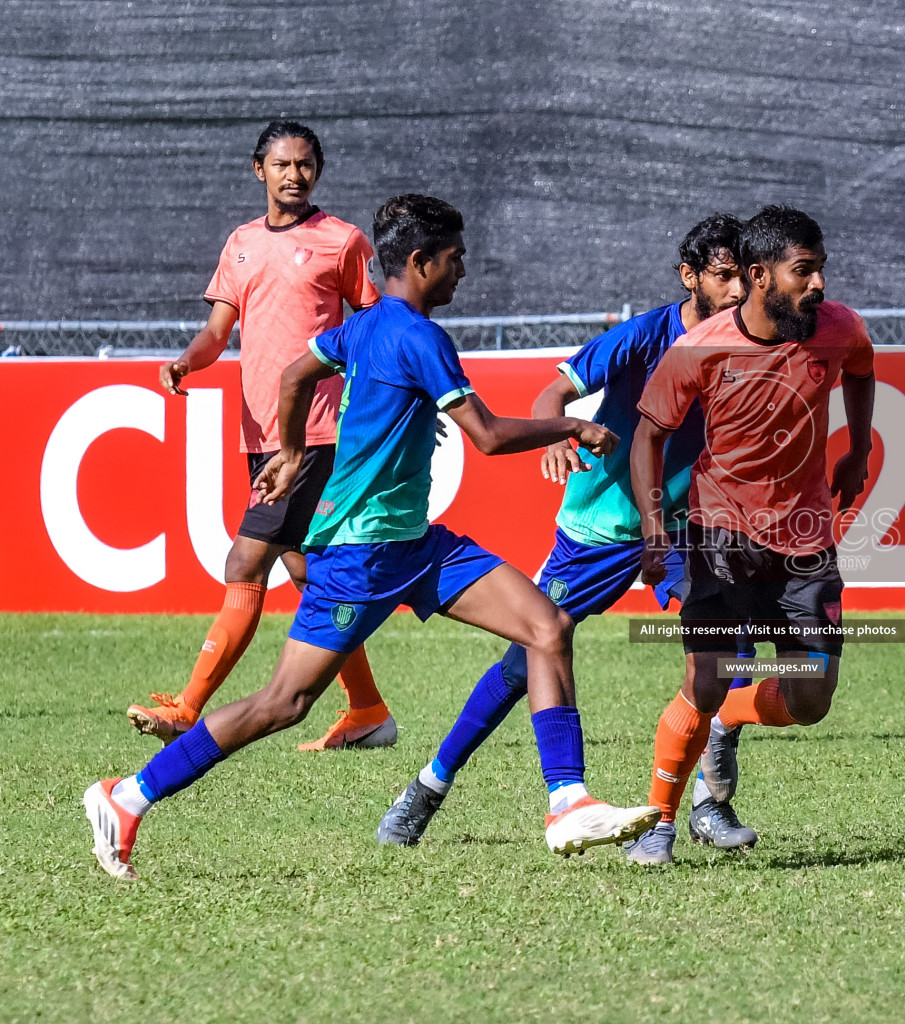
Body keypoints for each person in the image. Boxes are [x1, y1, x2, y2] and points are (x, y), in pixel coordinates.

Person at [84, 195, 659, 880]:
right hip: (360, 555)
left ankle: (567, 802)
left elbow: (296, 374)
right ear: (419, 262)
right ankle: (126, 797)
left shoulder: (364, 326)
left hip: (412, 544)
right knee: (283, 705)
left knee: (546, 625)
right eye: (455, 258)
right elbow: (487, 436)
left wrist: (293, 451)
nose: (464, 271)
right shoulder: (419, 336)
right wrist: (572, 426)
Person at [375, 214, 760, 850]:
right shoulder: (642, 337)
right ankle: (428, 787)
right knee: (529, 656)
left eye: (744, 278)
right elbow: (552, 396)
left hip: (691, 523)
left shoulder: (750, 344)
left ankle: (707, 805)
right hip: (605, 525)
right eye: (723, 278)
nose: (738, 293)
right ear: (690, 277)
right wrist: (555, 441)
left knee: (731, 656)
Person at [128, 120, 396, 751]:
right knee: (311, 573)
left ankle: (188, 709)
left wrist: (386, 400)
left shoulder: (341, 241)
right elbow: (218, 332)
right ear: (260, 171)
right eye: (282, 165)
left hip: (317, 436)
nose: (294, 174)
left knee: (246, 561)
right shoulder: (241, 244)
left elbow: (378, 325)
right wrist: (188, 361)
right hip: (262, 436)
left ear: (317, 172)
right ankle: (367, 709)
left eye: (305, 164)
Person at [624, 206, 876, 865]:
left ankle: (732, 714)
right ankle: (659, 823)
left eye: (821, 269)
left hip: (804, 542)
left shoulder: (838, 327)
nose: (818, 284)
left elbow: (862, 365)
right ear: (760, 276)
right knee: (701, 680)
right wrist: (655, 528)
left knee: (811, 698)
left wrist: (857, 452)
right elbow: (648, 435)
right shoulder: (701, 347)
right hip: (719, 536)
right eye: (804, 271)